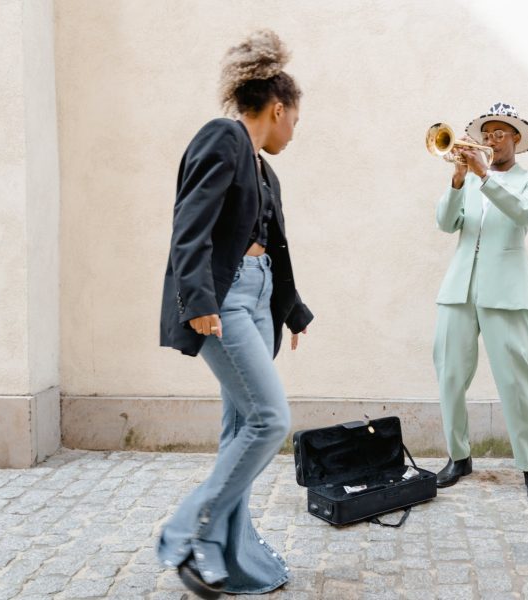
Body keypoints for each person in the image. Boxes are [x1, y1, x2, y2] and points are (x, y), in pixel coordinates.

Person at [157, 30, 312, 598]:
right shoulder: (222, 138)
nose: (295, 129)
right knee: (270, 419)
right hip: (223, 301)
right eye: (295, 118)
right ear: (277, 108)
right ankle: (185, 533)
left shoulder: (262, 168)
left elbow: (267, 245)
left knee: (239, 430)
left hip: (254, 297)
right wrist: (197, 301)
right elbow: (189, 227)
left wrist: (290, 310)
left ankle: (227, 558)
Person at [432, 102, 528, 503]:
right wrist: (457, 180)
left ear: (516, 138)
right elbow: (446, 224)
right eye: (487, 133)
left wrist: (485, 178)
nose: (491, 140)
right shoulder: (467, 181)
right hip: (459, 288)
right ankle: (458, 456)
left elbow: (523, 214)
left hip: (507, 290)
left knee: (515, 380)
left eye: (500, 133)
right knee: (450, 373)